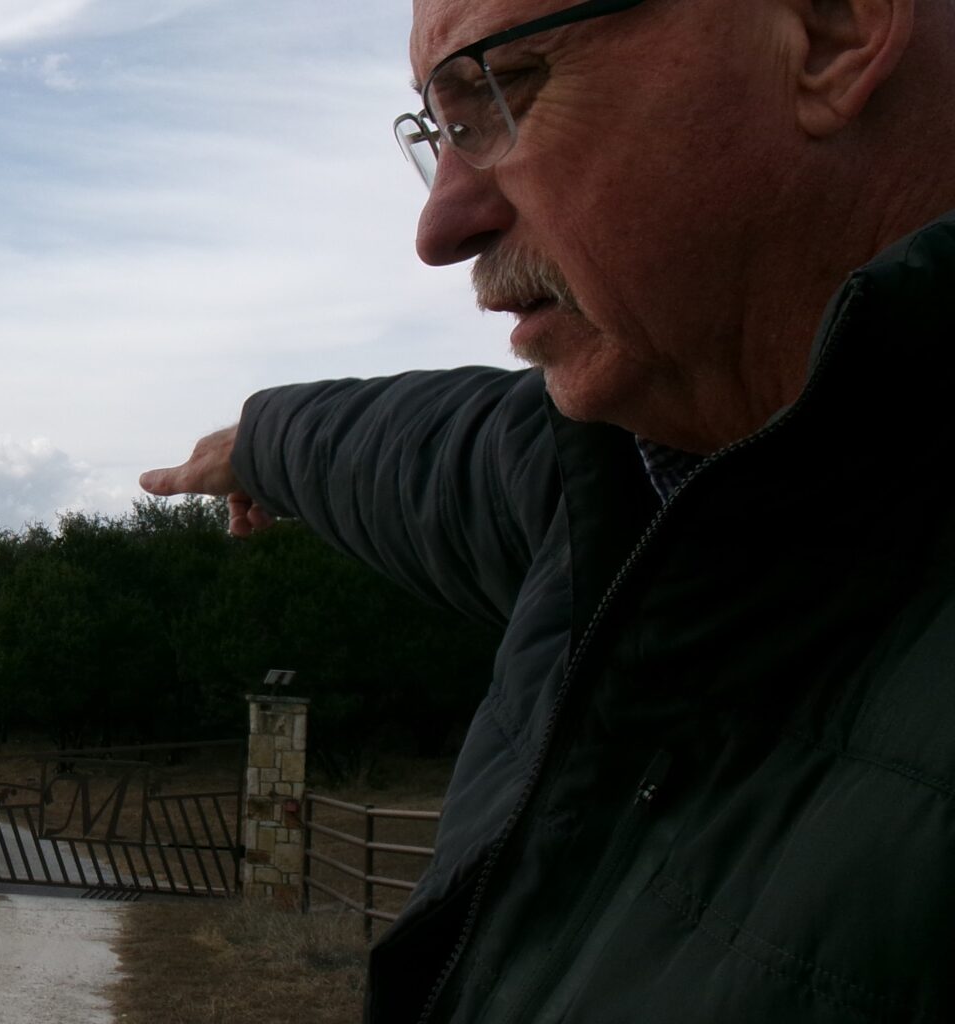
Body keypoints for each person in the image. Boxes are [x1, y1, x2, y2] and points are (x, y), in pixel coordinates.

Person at [142, 0, 955, 1019]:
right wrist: (258, 442)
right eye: (438, 132)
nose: (440, 228)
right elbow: (412, 450)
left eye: (502, 89)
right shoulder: (618, 479)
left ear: (832, 32)